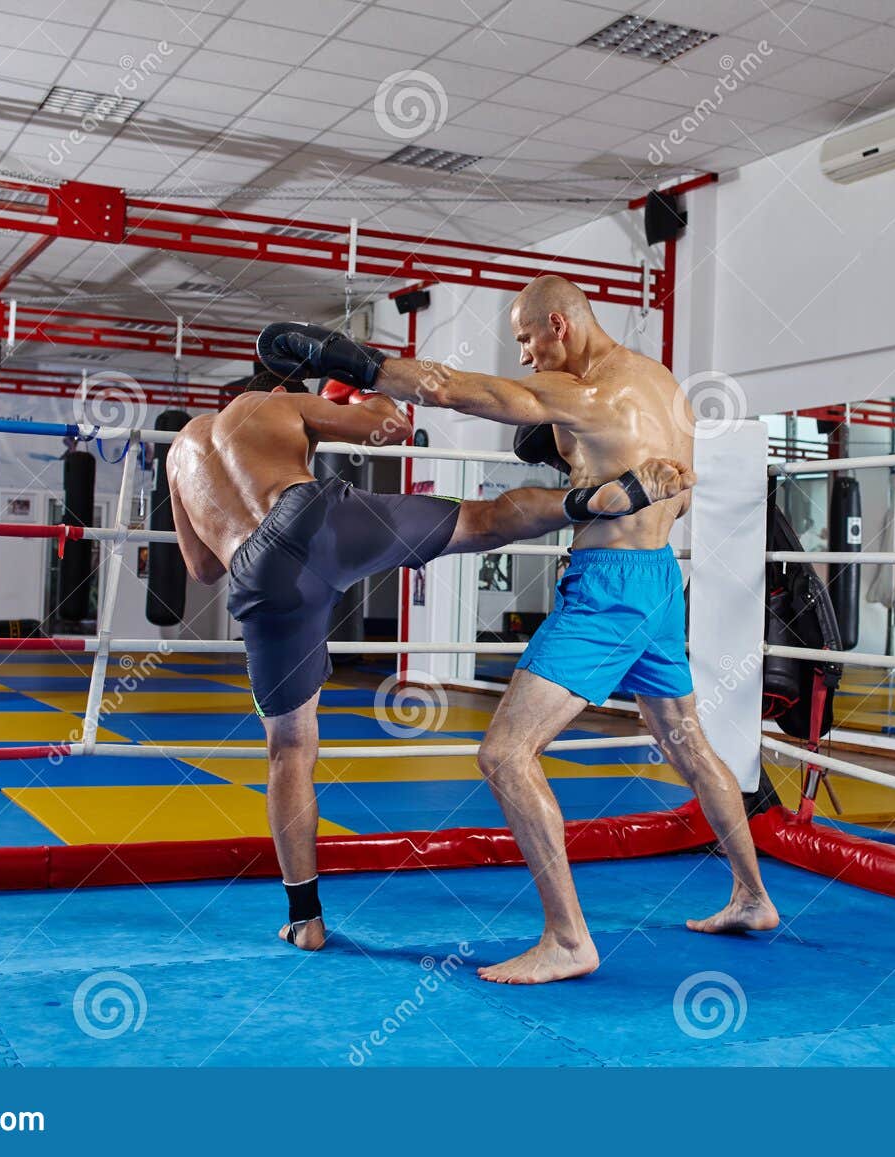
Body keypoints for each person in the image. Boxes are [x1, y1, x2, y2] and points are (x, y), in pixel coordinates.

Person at [259, 275, 780, 985]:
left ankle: (567, 938)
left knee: (505, 754)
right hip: (659, 578)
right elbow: (676, 495)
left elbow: (453, 389)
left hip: (610, 591)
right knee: (686, 740)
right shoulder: (660, 382)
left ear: (560, 324)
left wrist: (358, 363)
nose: (527, 356)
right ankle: (752, 896)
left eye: (529, 340)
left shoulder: (584, 394)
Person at [166, 372, 696, 952]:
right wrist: (357, 390)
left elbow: (201, 570)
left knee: (290, 751)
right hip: (315, 517)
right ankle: (586, 501)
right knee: (484, 520)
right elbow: (391, 427)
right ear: (280, 390)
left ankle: (305, 918)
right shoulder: (269, 406)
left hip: (257, 577)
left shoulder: (179, 455)